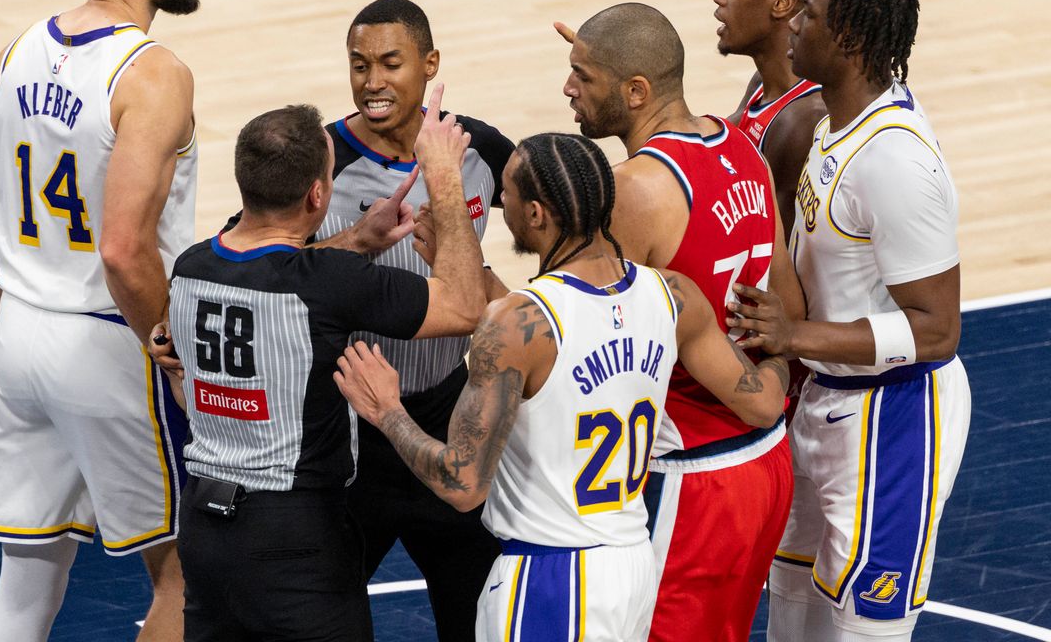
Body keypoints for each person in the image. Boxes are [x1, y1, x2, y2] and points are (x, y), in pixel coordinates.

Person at [333, 132, 790, 641]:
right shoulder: (672, 294)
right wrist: (784, 348)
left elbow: (461, 485)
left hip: (550, 580)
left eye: (507, 194)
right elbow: (764, 404)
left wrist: (387, 410)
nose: (501, 203)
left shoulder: (519, 324)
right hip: (633, 564)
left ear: (534, 214)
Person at [0, 0, 203, 641]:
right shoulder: (153, 74)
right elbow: (124, 250)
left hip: (23, 335)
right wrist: (172, 354)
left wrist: (15, 342)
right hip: (110, 340)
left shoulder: (15, 51)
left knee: (26, 586)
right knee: (184, 580)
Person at [159, 95, 486, 641]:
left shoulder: (191, 269)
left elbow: (277, 272)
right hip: (293, 537)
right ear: (317, 194)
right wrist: (444, 176)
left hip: (204, 531)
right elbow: (464, 307)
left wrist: (356, 240)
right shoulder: (328, 283)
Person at [728, 0, 971, 642]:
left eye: (810, 19)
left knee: (861, 632)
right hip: (827, 405)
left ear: (852, 43)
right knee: (792, 606)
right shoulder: (835, 116)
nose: (794, 30)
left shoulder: (895, 162)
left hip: (895, 422)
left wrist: (794, 335)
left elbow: (937, 329)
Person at [554, 3, 804, 642]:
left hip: (692, 476)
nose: (568, 89)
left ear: (635, 91)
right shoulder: (740, 142)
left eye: (583, 75)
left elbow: (570, 329)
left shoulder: (635, 189)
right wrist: (770, 373)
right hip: (765, 462)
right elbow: (788, 299)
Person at [319, 0, 513, 640]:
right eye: (359, 64)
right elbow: (261, 263)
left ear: (430, 65)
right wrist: (347, 245)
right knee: (324, 622)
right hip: (350, 429)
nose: (372, 81)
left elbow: (560, 227)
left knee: (476, 622)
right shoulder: (320, 159)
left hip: (450, 415)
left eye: (391, 63)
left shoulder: (477, 147)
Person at [715, 0, 829, 235]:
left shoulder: (802, 120)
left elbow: (770, 248)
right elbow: (709, 149)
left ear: (781, 3)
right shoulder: (765, 84)